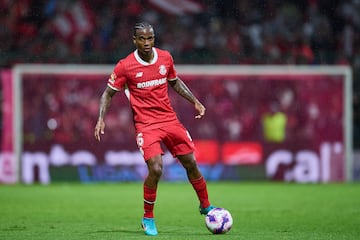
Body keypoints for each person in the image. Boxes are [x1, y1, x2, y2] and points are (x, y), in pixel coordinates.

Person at [94, 22, 215, 236]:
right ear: (135, 40)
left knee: (191, 163)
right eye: (142, 39)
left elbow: (175, 82)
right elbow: (107, 93)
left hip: (169, 120)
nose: (147, 43)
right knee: (156, 168)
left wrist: (194, 101)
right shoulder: (125, 66)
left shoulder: (166, 58)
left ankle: (205, 205)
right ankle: (147, 217)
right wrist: (101, 118)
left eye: (150, 38)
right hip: (146, 125)